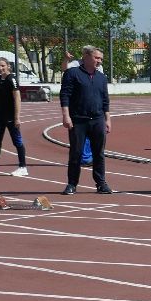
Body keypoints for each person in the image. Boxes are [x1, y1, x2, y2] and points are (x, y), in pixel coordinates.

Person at [59, 45, 112, 195]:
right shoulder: (72, 73)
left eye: (101, 58)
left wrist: (107, 119)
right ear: (86, 56)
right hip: (78, 120)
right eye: (96, 58)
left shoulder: (101, 77)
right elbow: (65, 95)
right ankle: (72, 184)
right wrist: (66, 115)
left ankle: (101, 183)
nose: (99, 61)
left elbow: (105, 99)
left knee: (99, 153)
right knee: (76, 153)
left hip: (97, 119)